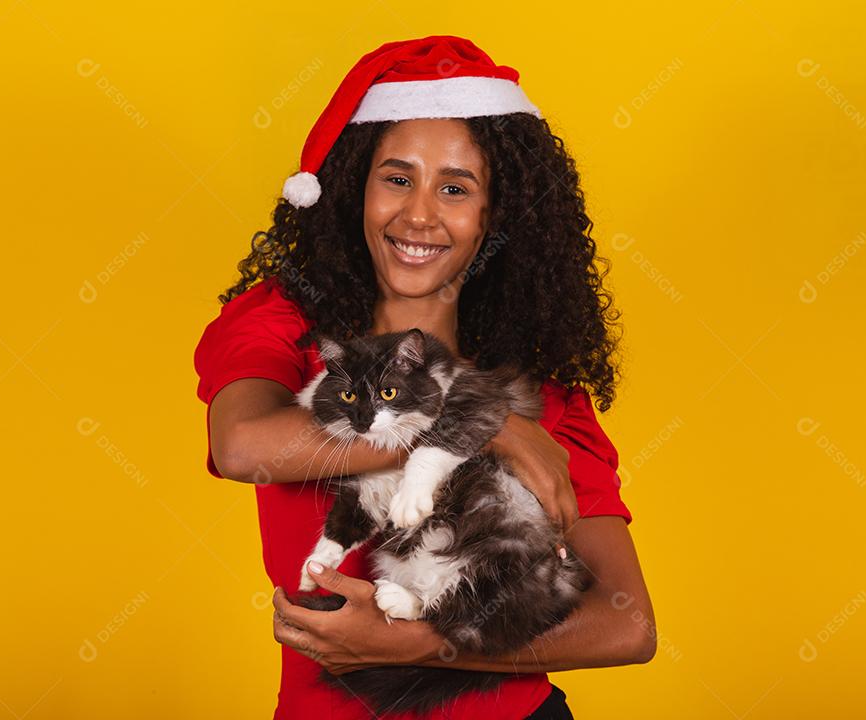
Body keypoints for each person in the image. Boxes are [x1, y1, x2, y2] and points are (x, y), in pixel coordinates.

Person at [193, 35, 656, 720]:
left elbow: (626, 625)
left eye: (455, 189)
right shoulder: (286, 326)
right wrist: (487, 426)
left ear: (489, 217)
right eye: (398, 178)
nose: (419, 215)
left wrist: (417, 645)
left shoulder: (546, 397)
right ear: (356, 189)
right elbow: (243, 447)